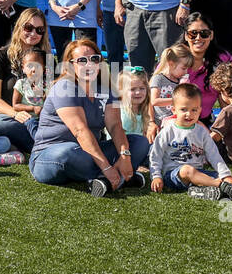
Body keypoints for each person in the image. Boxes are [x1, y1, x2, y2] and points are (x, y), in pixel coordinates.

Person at [29, 38, 150, 197]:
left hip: (89, 153)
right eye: (82, 61)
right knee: (68, 152)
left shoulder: (107, 89)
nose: (89, 64)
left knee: (140, 142)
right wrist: (106, 167)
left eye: (94, 59)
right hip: (51, 155)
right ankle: (118, 177)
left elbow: (115, 126)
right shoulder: (64, 87)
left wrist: (125, 155)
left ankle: (106, 180)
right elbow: (80, 130)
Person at [148, 83, 232, 201]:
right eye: (184, 109)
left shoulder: (202, 132)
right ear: (174, 109)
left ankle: (200, 191)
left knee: (231, 181)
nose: (189, 114)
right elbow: (155, 155)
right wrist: (156, 176)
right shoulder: (167, 131)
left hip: (198, 173)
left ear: (200, 110)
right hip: (173, 175)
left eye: (194, 110)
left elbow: (214, 156)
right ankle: (220, 186)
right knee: (187, 170)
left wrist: (225, 175)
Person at [0, 7, 50, 153]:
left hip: (40, 117)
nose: (33, 33)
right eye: (28, 27)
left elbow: (49, 95)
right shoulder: (0, 56)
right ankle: (44, 146)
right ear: (19, 27)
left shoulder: (47, 59)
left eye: (39, 30)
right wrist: (16, 114)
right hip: (9, 117)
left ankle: (32, 144)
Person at [176, 12, 232, 122]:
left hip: (204, 120)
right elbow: (156, 85)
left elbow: (230, 95)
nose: (198, 38)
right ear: (185, 35)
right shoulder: (175, 57)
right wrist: (151, 122)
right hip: (175, 120)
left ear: (211, 35)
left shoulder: (222, 59)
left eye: (204, 33)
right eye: (192, 33)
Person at [150, 44, 192, 123]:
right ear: (171, 64)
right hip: (161, 120)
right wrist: (176, 100)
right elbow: (154, 101)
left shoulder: (179, 80)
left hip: (176, 118)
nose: (186, 72)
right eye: (183, 68)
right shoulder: (159, 78)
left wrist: (184, 88)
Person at [117, 66, 157, 143]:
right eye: (132, 89)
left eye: (142, 88)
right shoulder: (122, 114)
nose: (138, 92)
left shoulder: (144, 111)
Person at [11, 47, 48, 118]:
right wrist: (33, 108)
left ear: (44, 68)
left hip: (44, 119)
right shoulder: (21, 83)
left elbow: (50, 104)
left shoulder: (47, 85)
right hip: (27, 118)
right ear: (23, 68)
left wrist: (43, 94)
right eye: (30, 66)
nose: (34, 69)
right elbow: (16, 105)